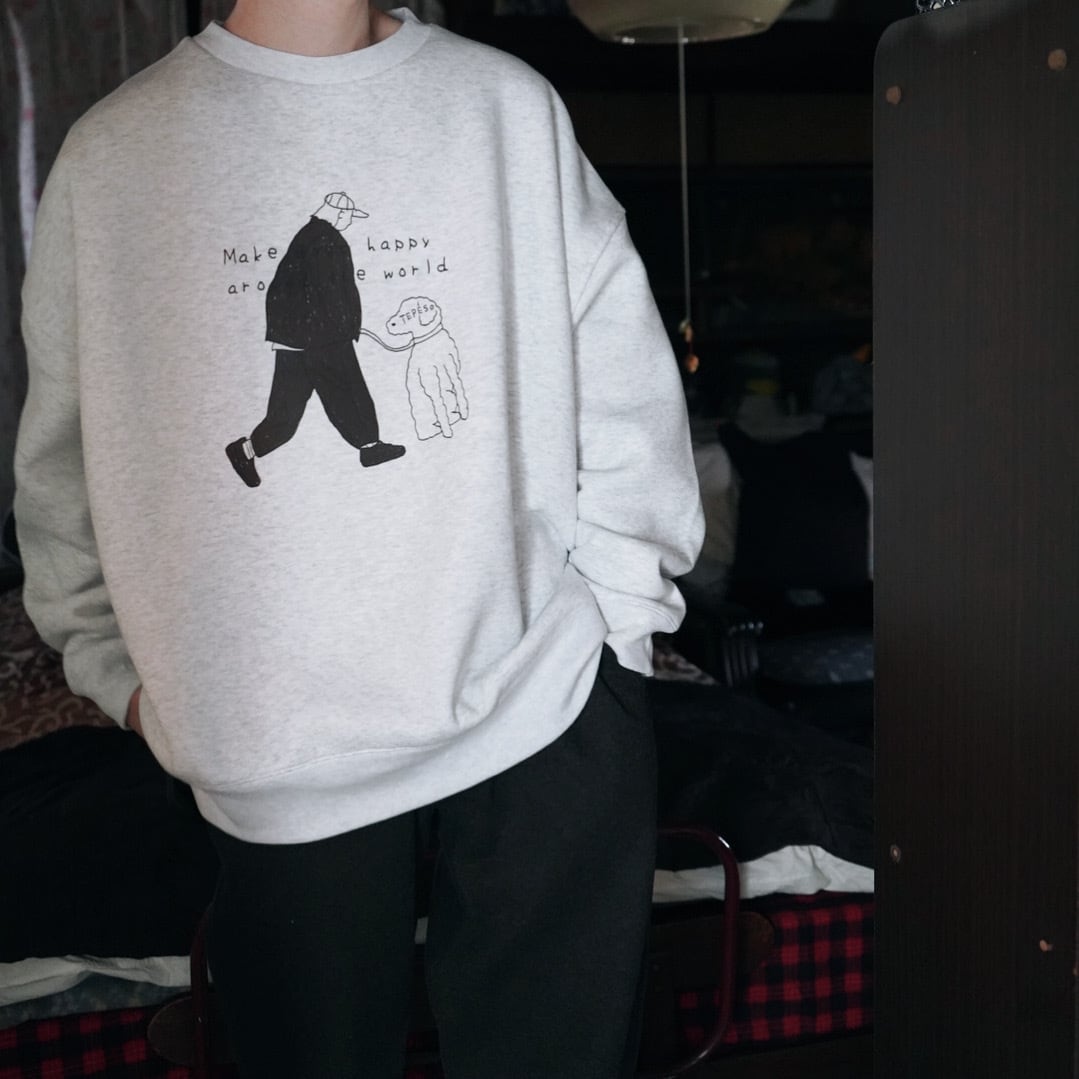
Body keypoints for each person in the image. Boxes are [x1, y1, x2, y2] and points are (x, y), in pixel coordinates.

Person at [14, 2, 704, 1076]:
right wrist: (127, 677)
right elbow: (63, 458)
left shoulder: (500, 106)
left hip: (547, 704)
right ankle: (293, 444)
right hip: (273, 747)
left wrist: (619, 620)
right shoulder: (117, 152)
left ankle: (341, 442)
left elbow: (621, 378)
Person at [226, 189, 406, 488]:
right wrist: (344, 328)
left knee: (285, 414)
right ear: (339, 212)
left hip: (296, 339)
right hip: (322, 339)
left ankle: (245, 450)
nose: (350, 221)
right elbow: (332, 290)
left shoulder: (307, 236)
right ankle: (370, 448)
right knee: (349, 392)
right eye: (349, 216)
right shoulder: (328, 240)